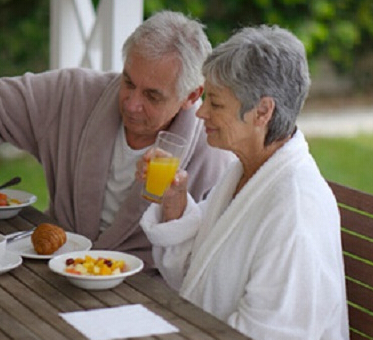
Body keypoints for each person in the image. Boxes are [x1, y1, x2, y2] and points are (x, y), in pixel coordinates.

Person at [0, 11, 232, 268]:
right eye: (128, 82)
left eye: (152, 95)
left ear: (191, 96)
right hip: (51, 271)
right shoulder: (74, 94)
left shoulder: (215, 155)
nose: (131, 103)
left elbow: (205, 267)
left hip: (145, 296)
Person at [137, 25, 349, 339]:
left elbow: (272, 333)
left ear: (262, 111)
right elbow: (196, 275)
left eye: (216, 104)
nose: (201, 113)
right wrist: (175, 201)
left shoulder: (297, 210)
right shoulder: (245, 172)